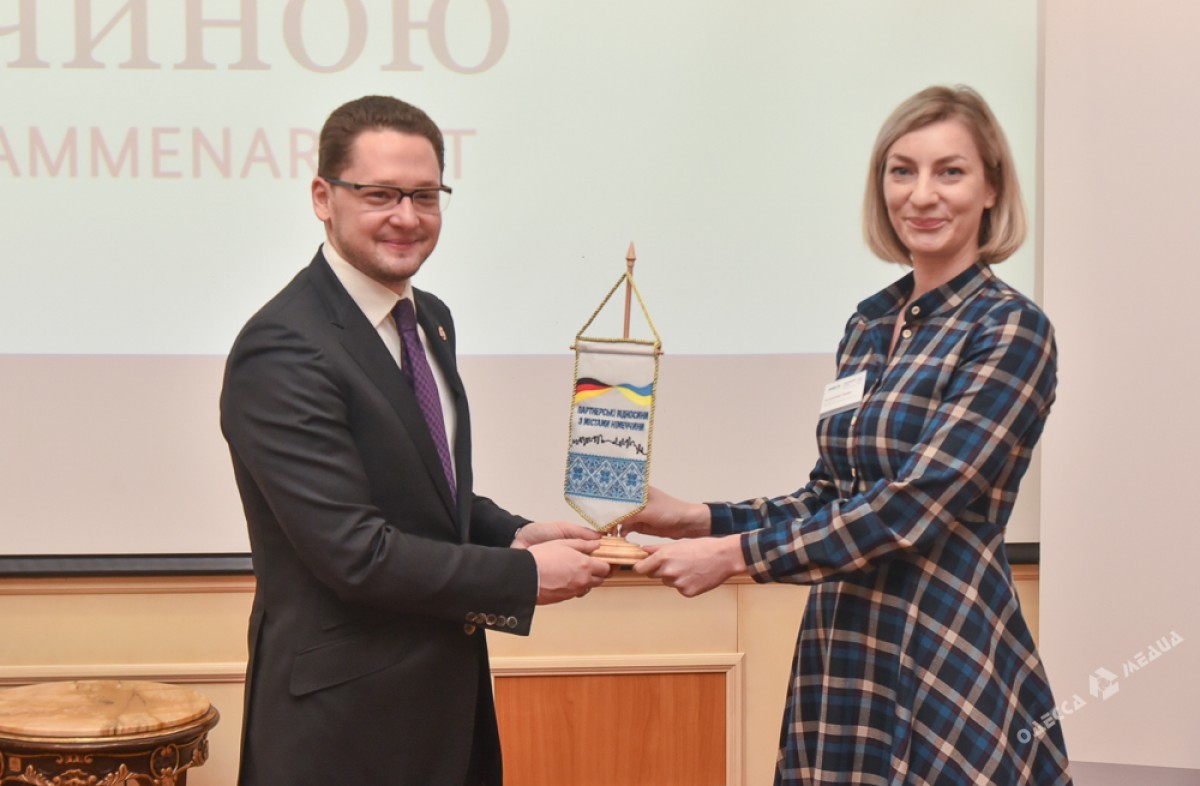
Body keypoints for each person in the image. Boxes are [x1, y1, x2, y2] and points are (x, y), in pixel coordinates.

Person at [621, 86, 1073, 785]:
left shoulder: (1009, 327)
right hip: (843, 640)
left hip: (943, 639)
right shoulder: (869, 323)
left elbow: (912, 506)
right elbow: (832, 496)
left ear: (991, 188)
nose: (921, 195)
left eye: (950, 172)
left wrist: (735, 556)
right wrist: (697, 519)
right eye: (902, 171)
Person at [220, 95, 611, 786]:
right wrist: (523, 577)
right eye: (380, 195)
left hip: (446, 707)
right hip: (342, 732)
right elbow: (355, 553)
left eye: (425, 196)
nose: (407, 217)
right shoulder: (282, 348)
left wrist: (510, 533)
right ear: (323, 197)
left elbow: (421, 488)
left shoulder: (428, 318)